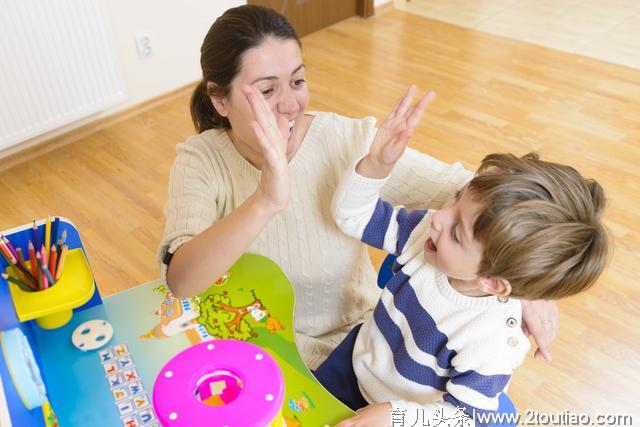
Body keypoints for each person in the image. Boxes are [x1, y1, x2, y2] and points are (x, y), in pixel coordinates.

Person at [157, 4, 558, 371]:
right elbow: (182, 281)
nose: (290, 104)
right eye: (266, 90)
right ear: (219, 99)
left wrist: (526, 284)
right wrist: (265, 200)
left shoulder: (346, 140)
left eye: (297, 81)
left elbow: (481, 192)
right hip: (253, 349)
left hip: (359, 350)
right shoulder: (201, 159)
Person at [313, 94, 609, 427]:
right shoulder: (424, 235)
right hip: (354, 367)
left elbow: (465, 416)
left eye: (457, 233)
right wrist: (377, 165)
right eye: (455, 200)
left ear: (493, 283)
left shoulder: (493, 342)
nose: (438, 217)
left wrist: (395, 416)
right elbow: (352, 216)